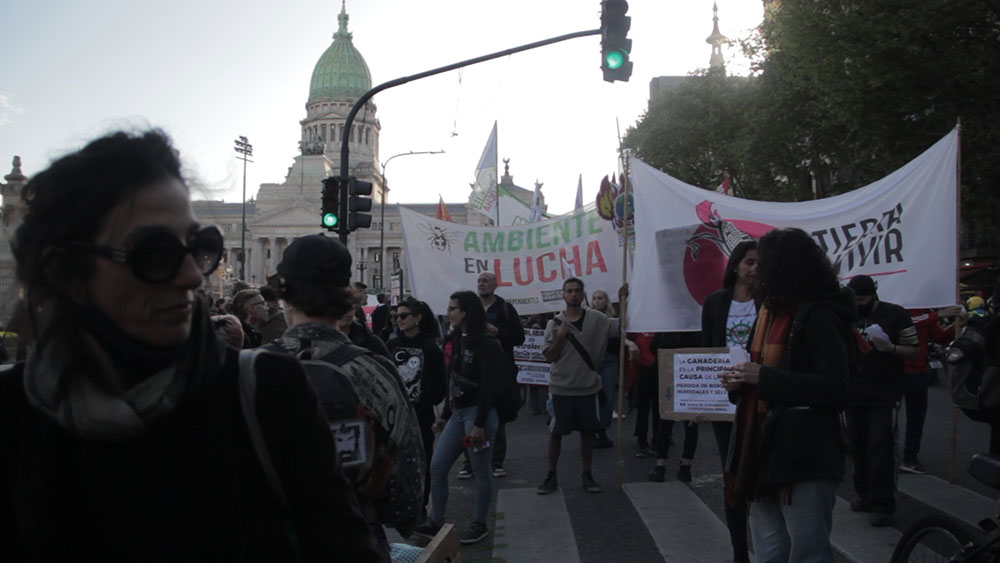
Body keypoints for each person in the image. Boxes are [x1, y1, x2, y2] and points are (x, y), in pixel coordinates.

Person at [0, 130, 379, 561]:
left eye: (200, 247)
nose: (192, 278)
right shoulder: (13, 421)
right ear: (66, 272)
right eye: (155, 253)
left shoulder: (269, 394)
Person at [269, 234, 426, 558]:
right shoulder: (372, 370)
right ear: (346, 295)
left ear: (284, 293)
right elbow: (407, 488)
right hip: (355, 543)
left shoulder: (249, 369)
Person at [720, 227, 854, 562]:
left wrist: (764, 377)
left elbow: (836, 387)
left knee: (807, 550)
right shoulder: (768, 312)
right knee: (769, 550)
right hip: (761, 451)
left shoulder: (819, 314)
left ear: (783, 266)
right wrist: (740, 383)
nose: (755, 270)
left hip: (804, 453)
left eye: (762, 263)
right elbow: (760, 379)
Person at [414, 290, 504, 545]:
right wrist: (445, 414)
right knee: (438, 467)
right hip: (458, 414)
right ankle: (436, 521)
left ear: (465, 311)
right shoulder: (456, 339)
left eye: (453, 308)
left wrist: (478, 424)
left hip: (478, 416)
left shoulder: (486, 343)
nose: (449, 312)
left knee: (481, 469)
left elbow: (489, 387)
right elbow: (453, 379)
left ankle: (479, 523)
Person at [537, 278, 628, 495]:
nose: (574, 294)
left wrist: (624, 300)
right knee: (556, 433)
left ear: (583, 293)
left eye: (577, 291)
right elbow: (548, 357)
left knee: (588, 433)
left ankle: (587, 474)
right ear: (564, 295)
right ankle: (551, 474)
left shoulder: (597, 319)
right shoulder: (554, 324)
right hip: (561, 388)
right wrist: (559, 339)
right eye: (569, 291)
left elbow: (621, 325)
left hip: (588, 387)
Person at [699, 239, 758, 563]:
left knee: (760, 471)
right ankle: (739, 550)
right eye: (749, 261)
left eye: (760, 263)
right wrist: (699, 401)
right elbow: (707, 350)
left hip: (760, 398)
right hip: (724, 402)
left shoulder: (770, 302)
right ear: (736, 265)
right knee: (731, 472)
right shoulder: (715, 303)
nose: (755, 268)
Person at [845, 274, 918, 527]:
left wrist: (892, 349)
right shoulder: (848, 315)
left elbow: (914, 348)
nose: (859, 303)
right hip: (853, 392)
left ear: (873, 295)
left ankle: (882, 503)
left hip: (884, 393)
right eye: (855, 299)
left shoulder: (895, 314)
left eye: (863, 299)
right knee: (858, 446)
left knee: (880, 447)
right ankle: (864, 494)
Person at [386, 297, 447, 519]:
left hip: (421, 415)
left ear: (417, 318)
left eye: (403, 316)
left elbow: (441, 383)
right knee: (397, 463)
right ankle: (400, 506)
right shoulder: (391, 345)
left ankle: (420, 508)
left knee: (423, 463)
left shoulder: (431, 347)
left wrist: (426, 398)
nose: (398, 320)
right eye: (395, 317)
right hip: (396, 415)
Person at [478, 271, 524, 478]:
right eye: (479, 281)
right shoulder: (472, 309)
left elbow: (519, 337)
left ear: (495, 285)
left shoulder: (505, 309)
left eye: (485, 281)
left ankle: (496, 461)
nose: (481, 284)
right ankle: (472, 462)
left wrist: (498, 332)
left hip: (500, 370)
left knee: (498, 417)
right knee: (472, 417)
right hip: (475, 370)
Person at [590, 288, 619, 448]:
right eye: (594, 298)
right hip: (593, 360)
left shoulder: (613, 319)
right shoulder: (587, 318)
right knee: (591, 394)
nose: (597, 301)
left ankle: (602, 430)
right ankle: (592, 429)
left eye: (600, 298)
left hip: (609, 359)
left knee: (607, 395)